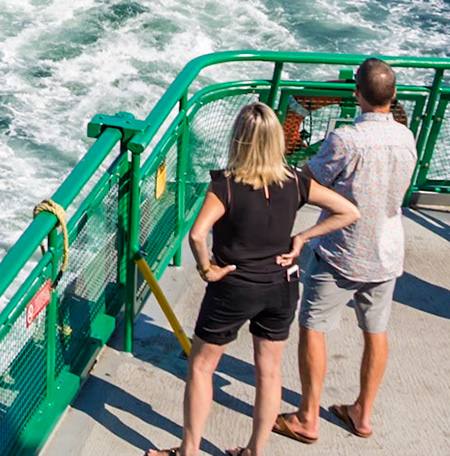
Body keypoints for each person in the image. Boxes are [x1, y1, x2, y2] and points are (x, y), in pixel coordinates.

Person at [146, 101, 359, 456]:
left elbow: (198, 235)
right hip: (281, 287)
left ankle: (189, 451)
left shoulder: (225, 186)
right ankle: (254, 452)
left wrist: (207, 269)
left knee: (201, 367)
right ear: (276, 139)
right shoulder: (296, 181)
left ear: (239, 141)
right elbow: (348, 211)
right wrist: (303, 237)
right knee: (269, 372)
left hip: (233, 288)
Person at [275, 58, 418, 443]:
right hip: (387, 252)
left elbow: (308, 181)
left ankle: (307, 418)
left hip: (341, 251)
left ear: (357, 93)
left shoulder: (346, 140)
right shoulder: (407, 137)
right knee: (376, 331)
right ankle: (362, 414)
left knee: (313, 328)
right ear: (393, 96)